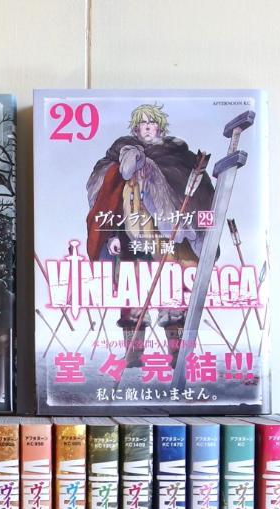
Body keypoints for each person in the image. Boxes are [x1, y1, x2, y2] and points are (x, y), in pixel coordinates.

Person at [85, 104, 214, 366]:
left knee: (172, 292)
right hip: (130, 238)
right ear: (135, 129)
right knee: (132, 292)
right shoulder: (118, 157)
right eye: (141, 123)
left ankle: (177, 353)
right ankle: (134, 353)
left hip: (170, 239)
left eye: (151, 122)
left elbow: (198, 198)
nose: (146, 127)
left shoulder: (177, 157)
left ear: (160, 128)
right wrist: (111, 235)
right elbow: (108, 202)